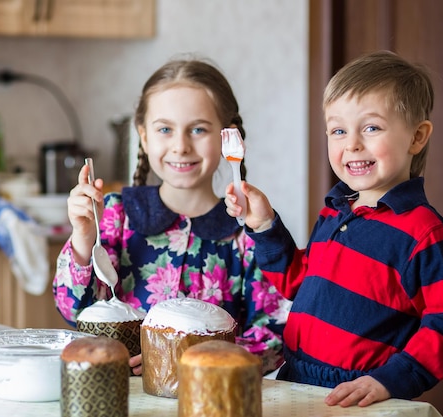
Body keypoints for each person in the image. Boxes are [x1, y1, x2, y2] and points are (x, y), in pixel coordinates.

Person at [224, 50, 443, 407]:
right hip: (296, 377)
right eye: (338, 130)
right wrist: (263, 224)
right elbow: (296, 281)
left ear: (417, 137)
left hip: (357, 394)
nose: (352, 143)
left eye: (371, 128)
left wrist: (391, 379)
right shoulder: (335, 214)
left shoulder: (423, 232)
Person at [53, 57, 288, 376]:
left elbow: (274, 336)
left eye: (199, 129)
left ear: (227, 137)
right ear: (145, 137)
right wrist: (82, 238)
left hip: (213, 398)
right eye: (165, 129)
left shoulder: (247, 230)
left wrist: (194, 361)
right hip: (127, 398)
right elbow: (74, 312)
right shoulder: (114, 215)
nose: (181, 146)